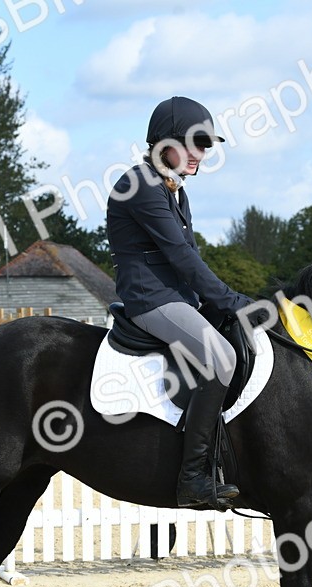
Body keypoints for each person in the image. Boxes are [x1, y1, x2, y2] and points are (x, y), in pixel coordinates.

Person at [106, 96, 257, 511]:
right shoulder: (138, 185)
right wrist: (234, 300)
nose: (202, 154)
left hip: (177, 298)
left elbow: (192, 258)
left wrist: (227, 304)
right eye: (195, 143)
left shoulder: (175, 191)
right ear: (162, 144)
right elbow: (183, 258)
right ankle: (193, 478)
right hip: (149, 299)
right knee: (222, 357)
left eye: (207, 145)